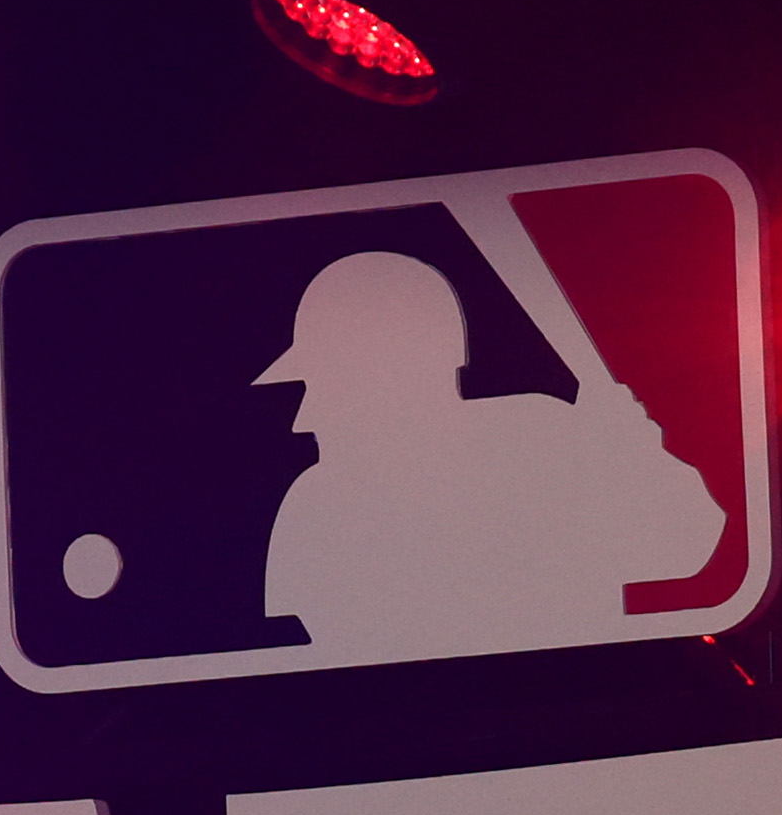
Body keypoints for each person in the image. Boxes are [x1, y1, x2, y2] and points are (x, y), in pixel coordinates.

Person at [252, 246, 725, 667]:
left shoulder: (547, 441)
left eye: (327, 387)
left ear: (391, 379)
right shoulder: (319, 506)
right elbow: (315, 663)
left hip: (582, 719)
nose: (303, 418)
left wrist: (634, 459)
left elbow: (690, 541)